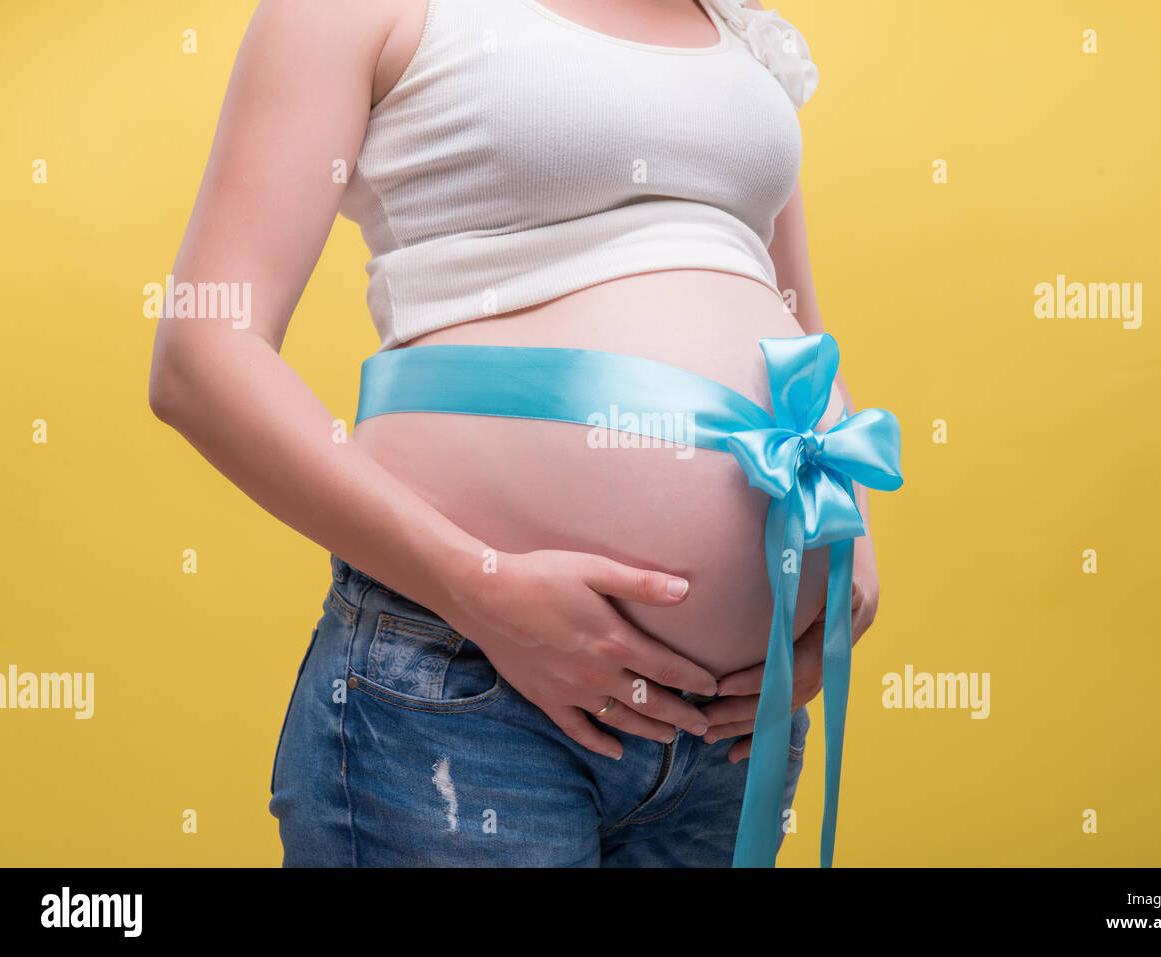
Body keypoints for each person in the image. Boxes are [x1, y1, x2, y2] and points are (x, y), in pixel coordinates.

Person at [148, 0, 898, 867]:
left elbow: (793, 326)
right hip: (469, 693)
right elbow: (202, 356)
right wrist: (482, 586)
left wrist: (850, 551)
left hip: (726, 732)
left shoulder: (740, 25)